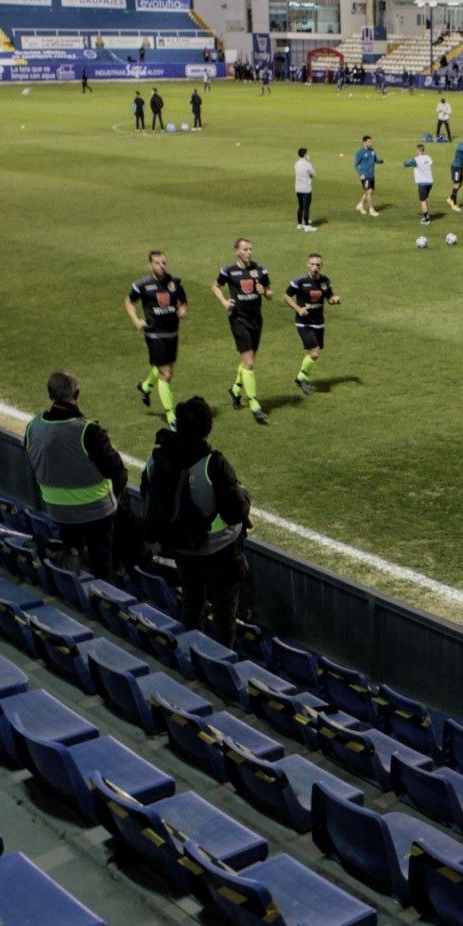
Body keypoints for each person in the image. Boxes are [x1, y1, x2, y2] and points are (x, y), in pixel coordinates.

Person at [142, 395, 250, 646]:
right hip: (218, 549)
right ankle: (218, 667)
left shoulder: (157, 457)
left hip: (179, 545)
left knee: (192, 600)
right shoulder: (212, 464)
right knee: (224, 611)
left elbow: (149, 495)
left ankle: (190, 654)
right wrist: (244, 495)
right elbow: (235, 511)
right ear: (207, 428)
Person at [24, 370, 127, 580]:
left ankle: (72, 579)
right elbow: (118, 472)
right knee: (102, 561)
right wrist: (115, 498)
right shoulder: (88, 431)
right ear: (77, 394)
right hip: (97, 509)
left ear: (50, 395)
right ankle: (104, 594)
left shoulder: (33, 426)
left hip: (57, 509)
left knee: (72, 552)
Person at [214, 236, 272, 425]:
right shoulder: (228, 271)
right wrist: (224, 301)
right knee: (249, 363)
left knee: (249, 361)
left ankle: (236, 390)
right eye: (245, 249)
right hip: (238, 320)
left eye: (250, 249)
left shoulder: (260, 269)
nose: (249, 253)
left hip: (257, 319)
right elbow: (215, 286)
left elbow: (270, 293)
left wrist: (265, 292)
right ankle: (255, 405)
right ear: (236, 251)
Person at [125, 249, 187, 426]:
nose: (161, 266)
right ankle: (171, 416)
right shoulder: (142, 285)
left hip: (172, 332)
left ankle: (145, 387)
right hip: (154, 333)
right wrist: (136, 320)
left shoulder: (174, 281)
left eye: (164, 263)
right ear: (150, 264)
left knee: (167, 370)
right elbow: (129, 301)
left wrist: (183, 309)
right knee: (165, 373)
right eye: (158, 263)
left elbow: (182, 300)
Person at [284, 251, 341, 394]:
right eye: (312, 264)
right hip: (303, 322)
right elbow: (286, 296)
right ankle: (302, 378)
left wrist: (334, 300)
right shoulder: (299, 281)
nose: (315, 267)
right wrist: (298, 308)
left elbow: (329, 297)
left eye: (318, 264)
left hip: (318, 321)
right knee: (314, 352)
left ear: (321, 266)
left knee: (315, 352)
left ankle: (301, 377)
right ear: (307, 264)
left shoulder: (325, 281)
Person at [403, 143, 435, 222]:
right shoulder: (428, 157)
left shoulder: (416, 159)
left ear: (417, 150)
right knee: (426, 198)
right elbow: (430, 164)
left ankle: (426, 219)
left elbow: (406, 164)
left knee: (423, 200)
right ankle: (427, 214)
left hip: (422, 183)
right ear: (423, 150)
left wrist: (405, 162)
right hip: (430, 182)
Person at [353, 135, 382, 216]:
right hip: (365, 176)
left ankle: (360, 205)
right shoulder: (360, 152)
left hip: (371, 175)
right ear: (364, 142)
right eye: (369, 142)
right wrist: (360, 174)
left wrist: (381, 161)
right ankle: (371, 210)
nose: (371, 143)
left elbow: (375, 160)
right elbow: (356, 165)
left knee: (371, 191)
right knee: (368, 192)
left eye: (371, 141)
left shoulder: (372, 150)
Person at [294, 147, 316, 231]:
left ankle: (299, 224)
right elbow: (313, 174)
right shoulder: (307, 164)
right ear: (304, 154)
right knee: (306, 207)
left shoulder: (296, 164)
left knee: (300, 206)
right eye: (307, 153)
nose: (308, 155)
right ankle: (307, 225)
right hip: (306, 188)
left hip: (298, 188)